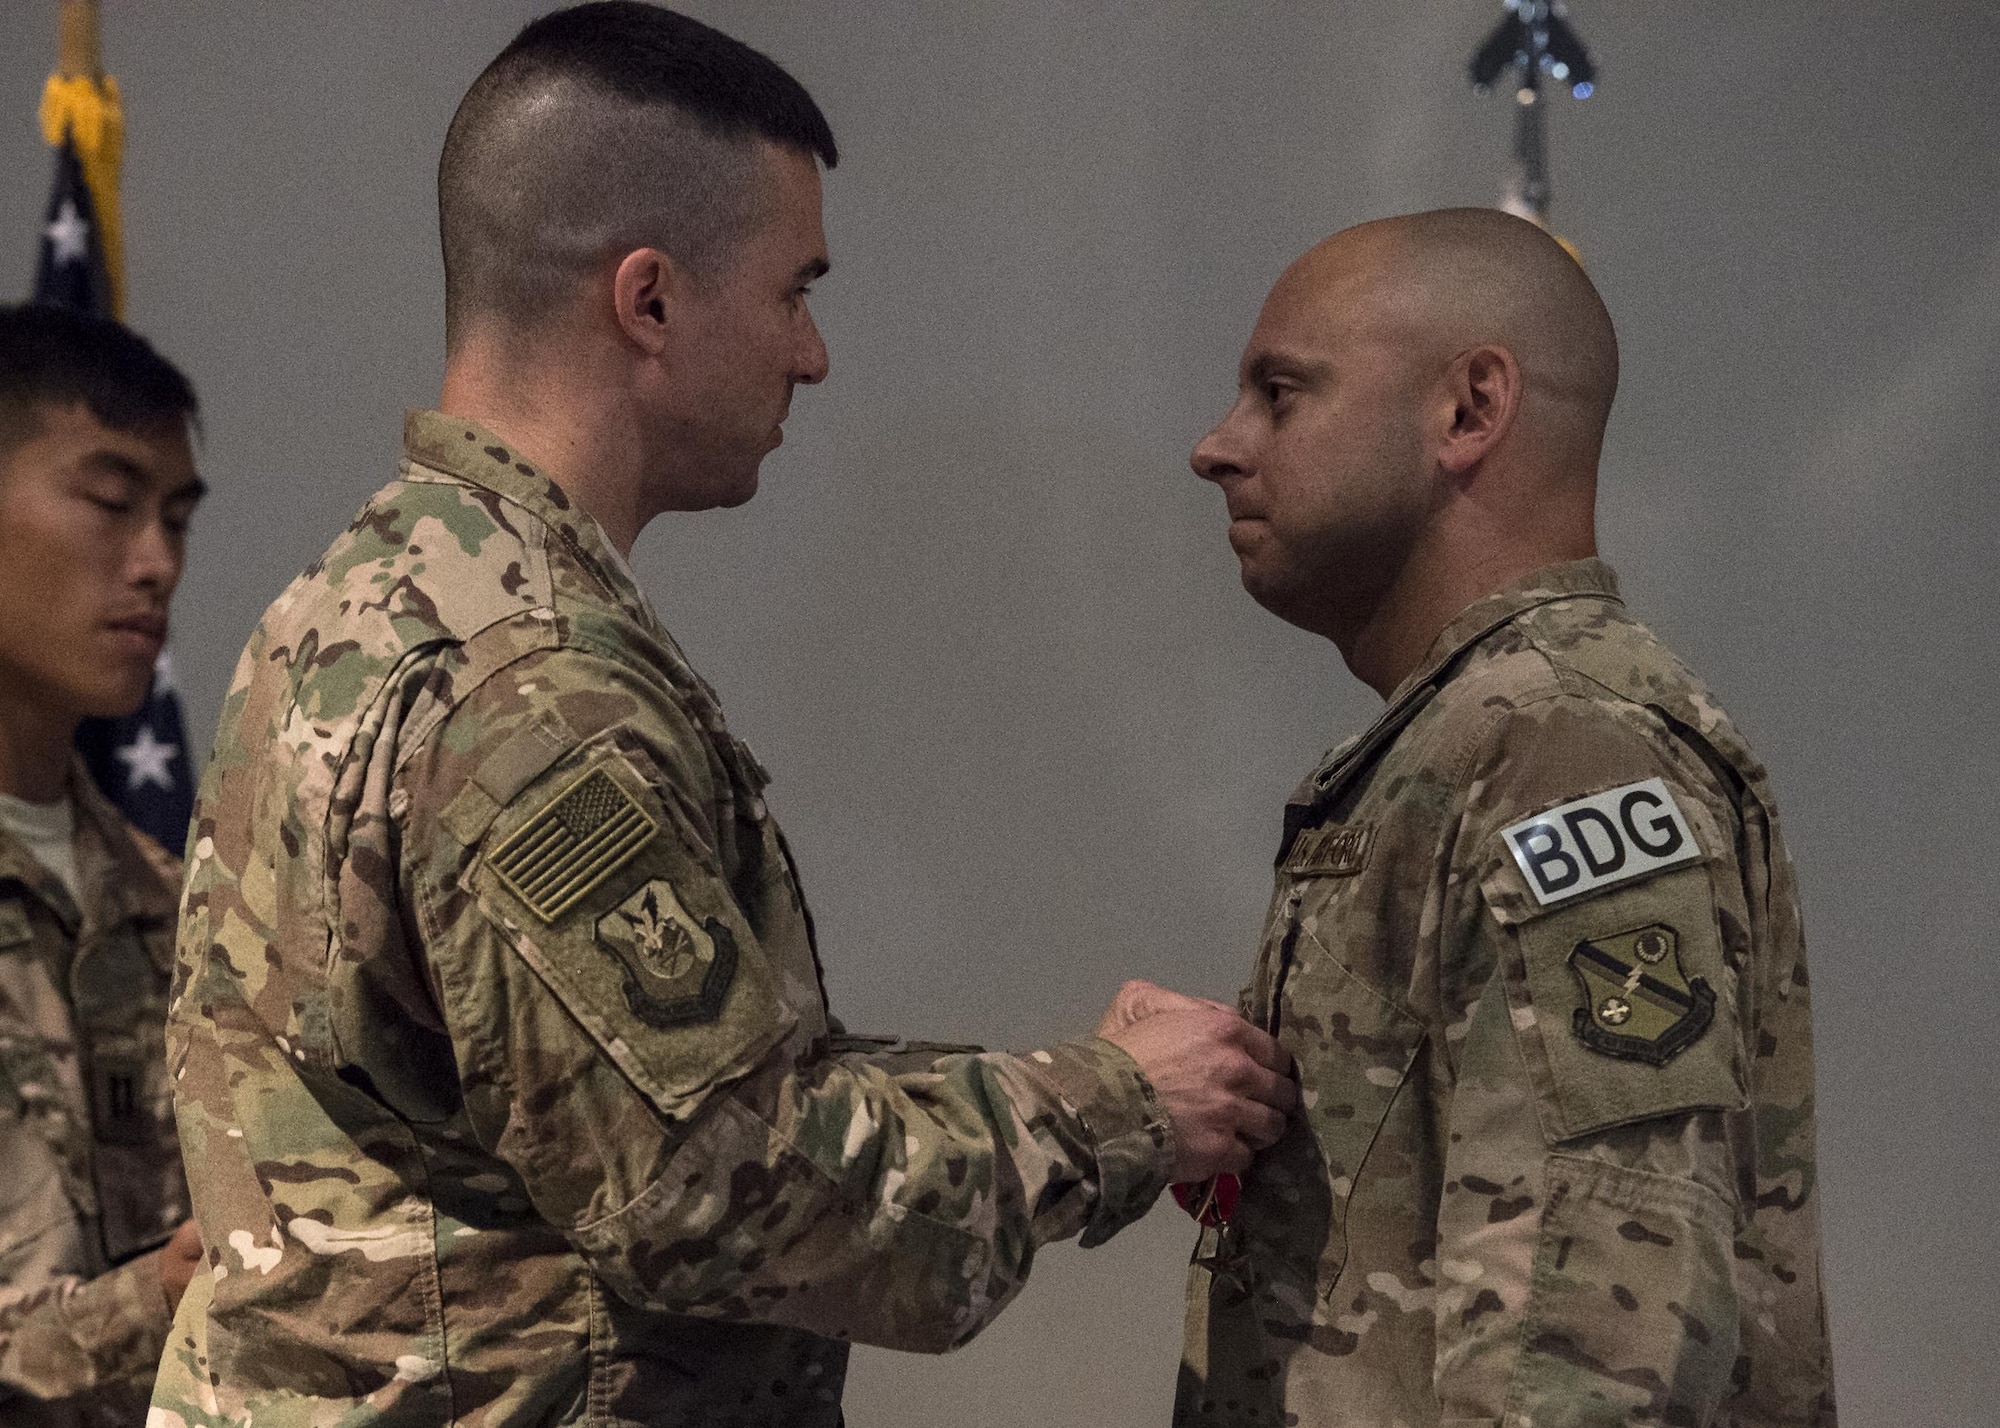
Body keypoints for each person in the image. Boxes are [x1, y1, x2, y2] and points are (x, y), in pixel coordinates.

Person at [153, 6, 1295, 1426]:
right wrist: (1113, 1108)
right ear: (649, 301)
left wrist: (1064, 1072)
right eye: (794, 290)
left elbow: (597, 1096)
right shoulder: (531, 691)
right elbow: (726, 1191)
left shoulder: (363, 596)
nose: (811, 355)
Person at [1174, 208, 1835, 1426]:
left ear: (1468, 411)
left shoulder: (1565, 745)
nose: (1216, 447)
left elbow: (1588, 1339)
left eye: (1279, 393)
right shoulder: (1468, 738)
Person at [0, 303, 207, 1425]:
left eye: (176, 518)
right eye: (111, 503)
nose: (156, 563)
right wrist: (153, 1303)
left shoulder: (172, 904)